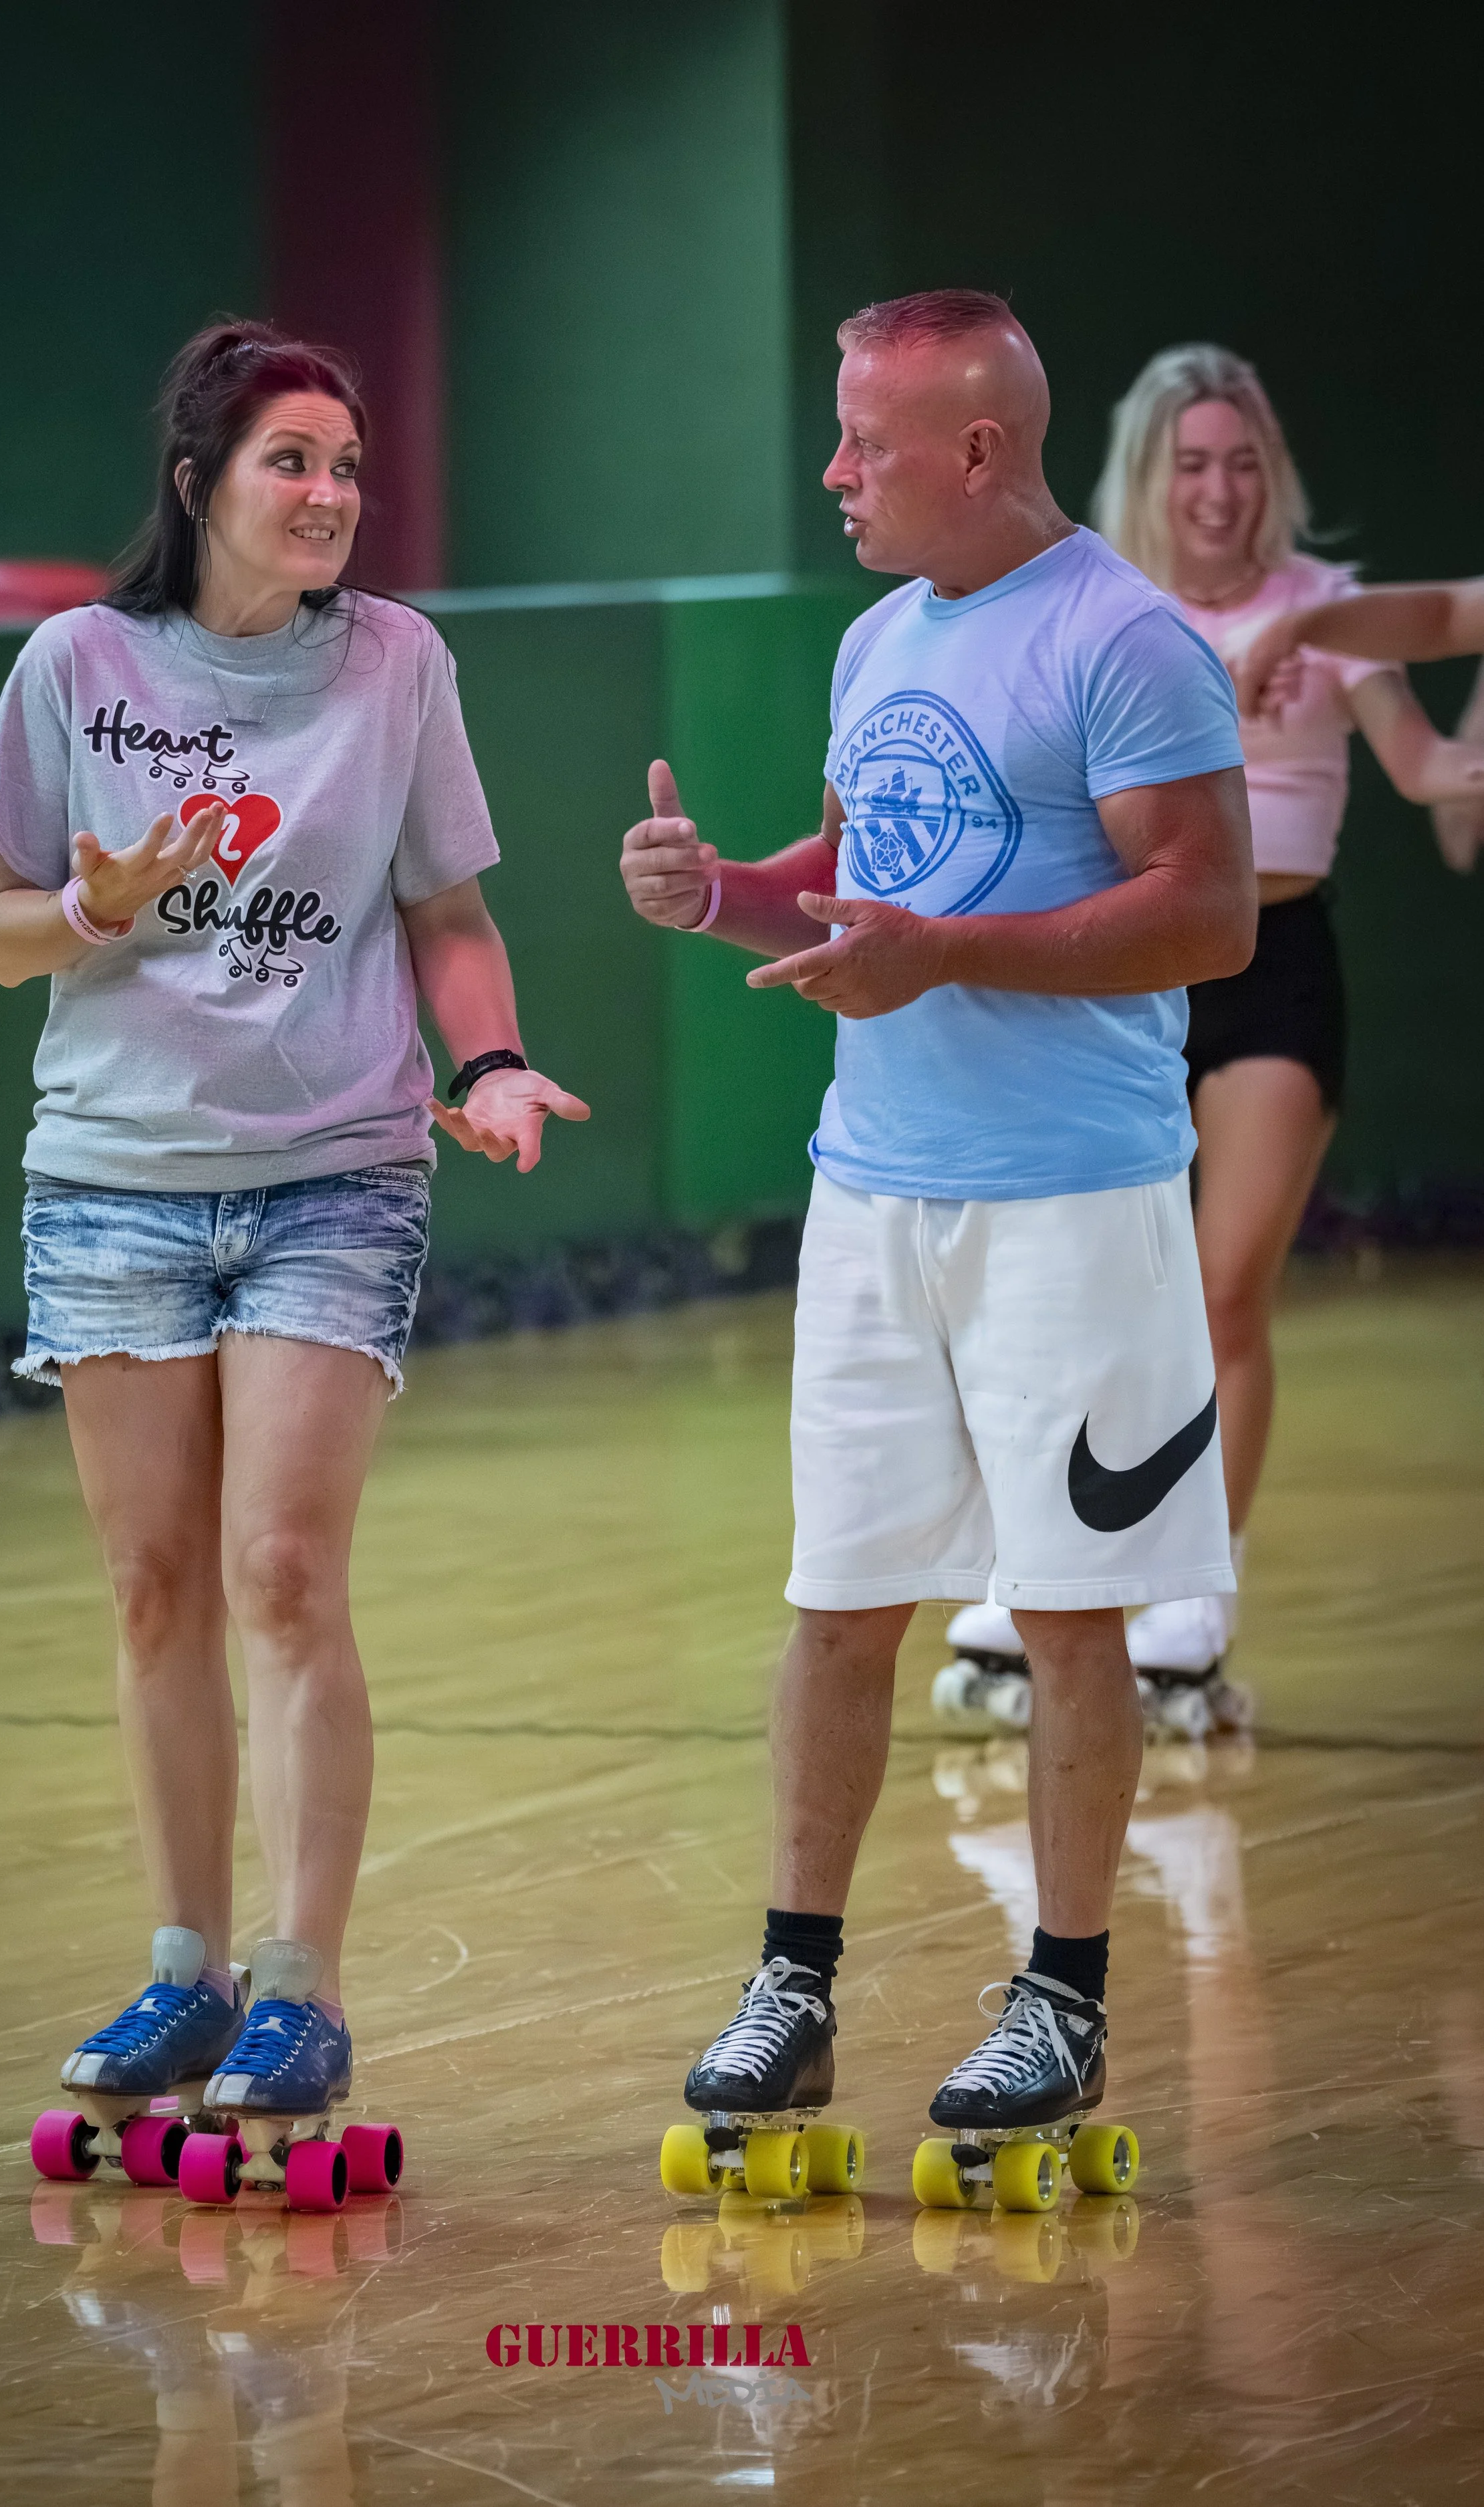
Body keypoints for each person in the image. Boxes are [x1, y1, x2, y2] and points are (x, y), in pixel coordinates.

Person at [620, 288, 1253, 2150]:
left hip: (1075, 1203)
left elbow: (1205, 907)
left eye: (863, 442)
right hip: (870, 1196)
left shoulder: (1124, 642)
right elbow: (851, 896)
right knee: (835, 1605)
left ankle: (1058, 1998)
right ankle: (790, 1982)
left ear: (979, 448)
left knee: (1066, 1614)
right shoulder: (879, 634)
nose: (831, 471)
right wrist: (716, 890)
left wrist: (942, 957)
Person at [0, 320, 586, 2149]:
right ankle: (185, 1966)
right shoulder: (77, 661)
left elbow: (445, 906)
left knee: (283, 1571)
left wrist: (498, 1059)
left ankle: (300, 1983)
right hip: (111, 1176)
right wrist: (90, 899)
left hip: (335, 1164)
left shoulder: (395, 662)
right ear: (198, 482)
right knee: (153, 1586)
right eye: (291, 461)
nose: (329, 497)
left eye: (347, 466)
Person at [943, 346, 1484, 1732]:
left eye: (1241, 462)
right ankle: (1053, 1570)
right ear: (1148, 475)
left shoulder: (1320, 607)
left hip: (1274, 974)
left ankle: (1192, 1592)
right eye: (1192, 462)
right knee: (1074, 1288)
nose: (1218, 489)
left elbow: (1427, 768)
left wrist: (1344, 668)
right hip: (1120, 980)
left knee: (1216, 1285)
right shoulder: (1100, 608)